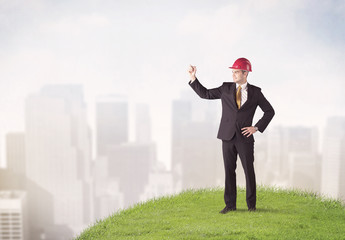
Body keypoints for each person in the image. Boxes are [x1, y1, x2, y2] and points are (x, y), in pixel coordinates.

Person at [188, 58, 275, 213]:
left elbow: (270, 111)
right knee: (229, 170)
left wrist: (256, 127)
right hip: (227, 136)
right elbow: (206, 94)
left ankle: (251, 206)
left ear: (245, 73)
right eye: (233, 71)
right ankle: (230, 205)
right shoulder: (225, 88)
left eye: (236, 71)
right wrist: (193, 78)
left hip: (245, 138)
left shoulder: (256, 92)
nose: (233, 74)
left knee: (249, 171)